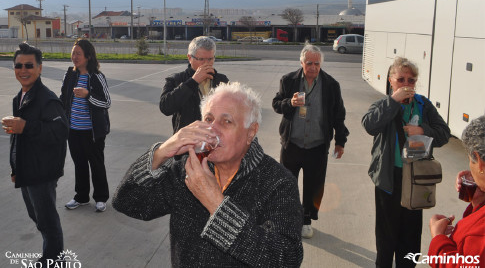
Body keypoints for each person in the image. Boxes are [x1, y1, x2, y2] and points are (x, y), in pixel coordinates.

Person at [113, 82, 303, 267]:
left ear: (251, 132)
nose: (213, 129)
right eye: (209, 119)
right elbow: (127, 201)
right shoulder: (187, 168)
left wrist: (216, 204)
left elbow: (286, 258)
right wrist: (161, 152)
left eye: (226, 121)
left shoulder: (278, 182)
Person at [362, 56, 451, 268]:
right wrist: (393, 101)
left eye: (411, 80)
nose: (406, 84)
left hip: (415, 177)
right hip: (388, 177)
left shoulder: (423, 105)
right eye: (401, 79)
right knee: (386, 235)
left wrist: (422, 131)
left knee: (410, 235)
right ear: (391, 81)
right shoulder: (384, 104)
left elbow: (444, 134)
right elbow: (369, 125)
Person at [272, 43, 349, 239]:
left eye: (316, 63)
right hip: (292, 144)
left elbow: (339, 115)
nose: (313, 67)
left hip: (317, 146)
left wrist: (340, 141)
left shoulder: (331, 85)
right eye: (309, 63)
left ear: (320, 63)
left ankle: (306, 220)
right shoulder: (288, 80)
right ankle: (288, 219)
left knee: (313, 186)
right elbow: (276, 104)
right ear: (301, 62)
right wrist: (290, 103)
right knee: (287, 184)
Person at [2, 42, 68, 265]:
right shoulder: (20, 96)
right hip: (27, 169)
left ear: (39, 68)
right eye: (18, 65)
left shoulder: (47, 99)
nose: (23, 70)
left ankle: (52, 260)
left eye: (29, 65)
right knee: (38, 218)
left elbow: (60, 131)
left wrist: (26, 126)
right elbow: (17, 137)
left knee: (47, 222)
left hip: (42, 172)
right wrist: (15, 168)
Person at [60, 39, 111, 212]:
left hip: (92, 132)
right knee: (79, 163)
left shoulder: (96, 77)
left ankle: (101, 198)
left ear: (88, 56)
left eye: (78, 54)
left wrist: (88, 95)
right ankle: (81, 197)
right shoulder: (70, 75)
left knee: (96, 164)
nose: (74, 57)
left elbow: (106, 102)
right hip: (73, 130)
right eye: (73, 53)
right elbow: (63, 99)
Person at [428, 115, 485, 267]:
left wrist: (438, 237)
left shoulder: (479, 233)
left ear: (479, 162)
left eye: (470, 159)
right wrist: (479, 199)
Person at [160, 36, 229, 133]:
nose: (206, 63)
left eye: (210, 59)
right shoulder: (176, 79)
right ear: (189, 58)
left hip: (215, 139)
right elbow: (166, 108)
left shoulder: (221, 80)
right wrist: (193, 81)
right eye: (201, 59)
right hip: (187, 141)